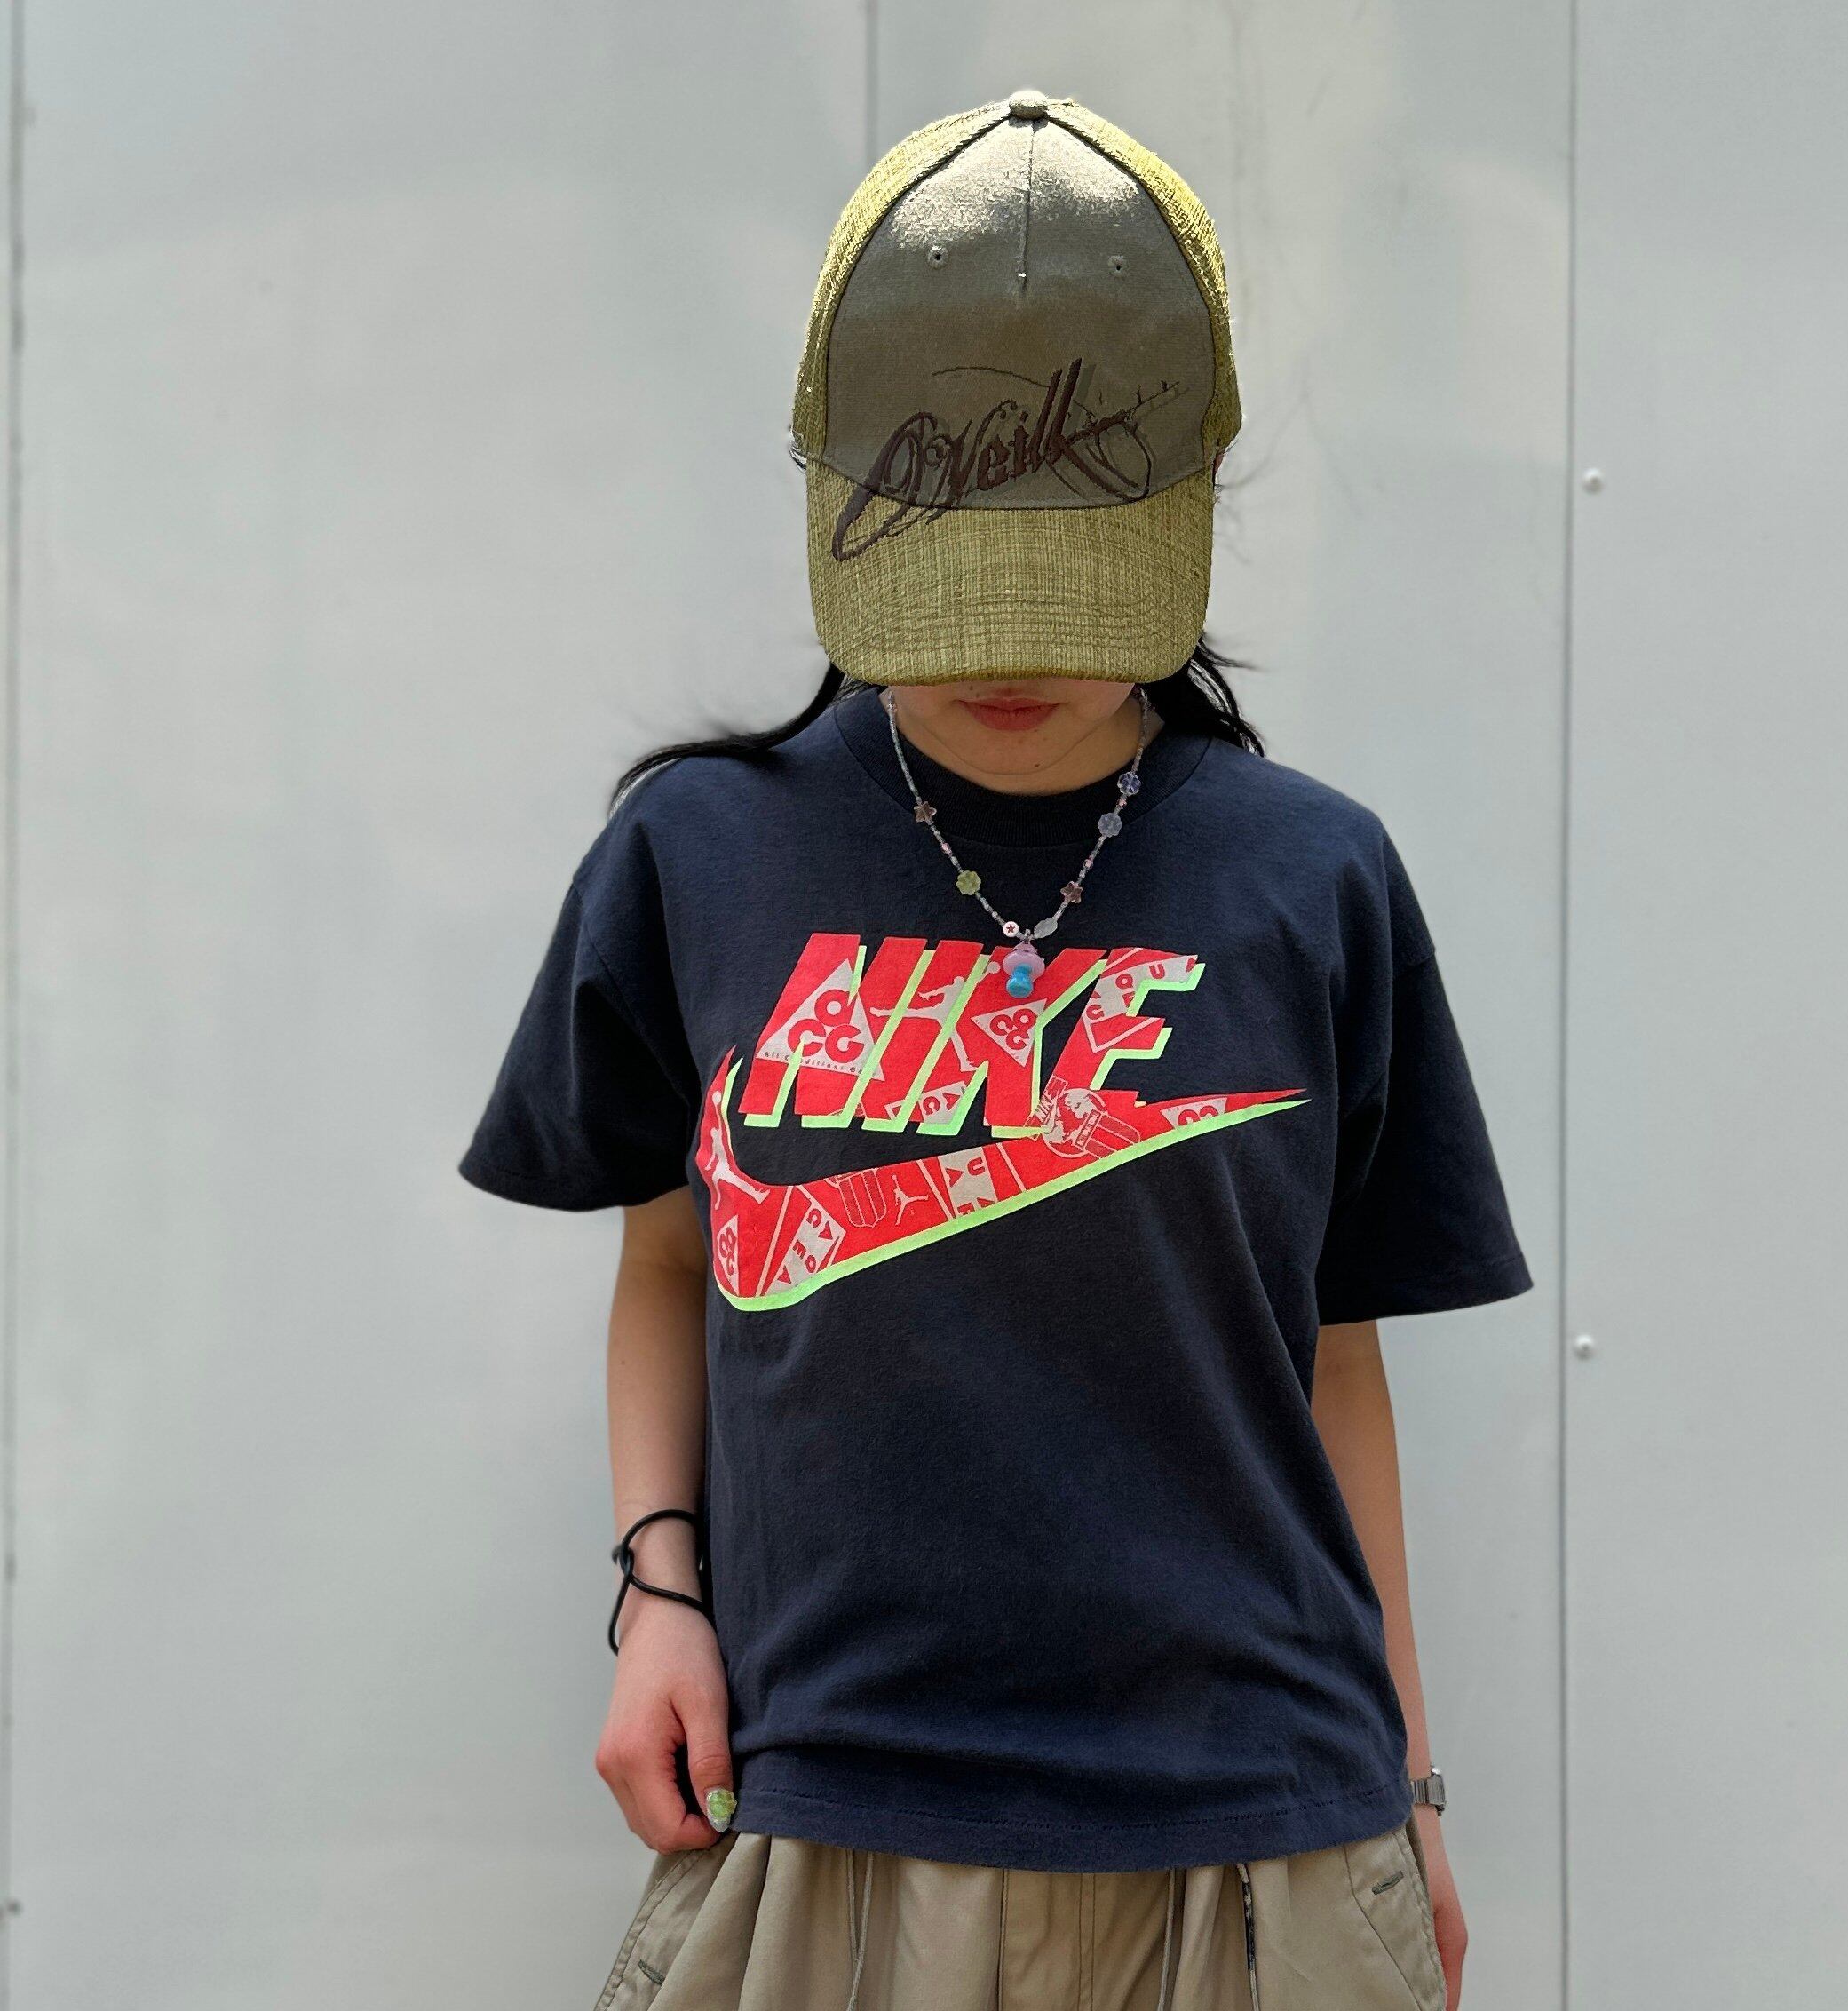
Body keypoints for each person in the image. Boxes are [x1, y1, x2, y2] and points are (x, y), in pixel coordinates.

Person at [459, 90, 1531, 2011]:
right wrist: (658, 1597)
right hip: (825, 1810)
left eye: (1070, 590)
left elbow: (1332, 1363)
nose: (1010, 657)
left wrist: (1416, 1788)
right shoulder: (700, 854)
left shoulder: (1314, 877)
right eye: (957, 587)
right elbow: (669, 1260)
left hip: (1260, 1833)